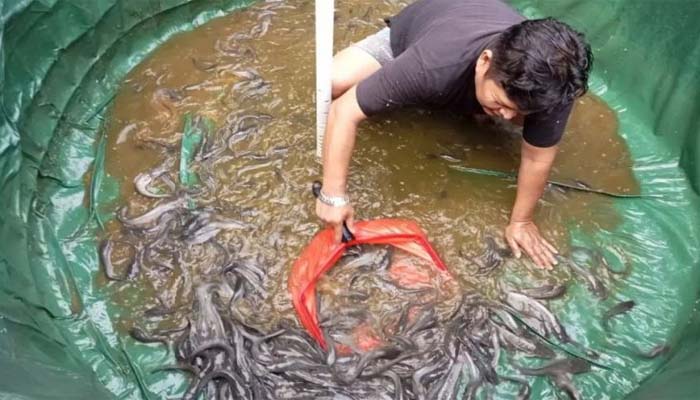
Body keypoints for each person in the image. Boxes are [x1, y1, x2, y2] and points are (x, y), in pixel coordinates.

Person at [315, 0, 593, 269]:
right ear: (484, 62)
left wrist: (521, 221)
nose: (507, 117)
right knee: (334, 83)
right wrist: (333, 195)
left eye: (515, 109)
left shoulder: (552, 86)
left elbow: (537, 158)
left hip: (485, 26)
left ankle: (480, 105)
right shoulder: (432, 63)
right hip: (427, 29)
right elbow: (344, 111)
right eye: (502, 104)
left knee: (530, 119)